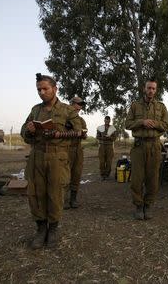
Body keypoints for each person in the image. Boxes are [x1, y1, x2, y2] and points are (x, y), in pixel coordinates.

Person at [21, 73, 83, 249]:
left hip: (58, 157)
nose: (41, 92)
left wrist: (59, 134)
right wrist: (30, 130)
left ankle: (53, 229)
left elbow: (80, 132)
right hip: (37, 156)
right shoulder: (35, 110)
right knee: (35, 193)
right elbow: (23, 133)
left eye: (45, 89)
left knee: (55, 193)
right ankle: (41, 229)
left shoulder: (67, 110)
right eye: (39, 89)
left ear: (55, 89)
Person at [125, 78, 168, 220]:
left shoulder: (161, 107)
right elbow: (127, 124)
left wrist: (155, 124)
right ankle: (138, 206)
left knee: (153, 178)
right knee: (137, 179)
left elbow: (167, 125)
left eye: (153, 89)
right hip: (139, 145)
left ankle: (148, 205)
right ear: (144, 89)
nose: (151, 91)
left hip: (155, 146)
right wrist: (142, 122)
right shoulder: (135, 105)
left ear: (156, 91)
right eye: (149, 88)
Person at [65, 96, 87, 209]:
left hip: (78, 149)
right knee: (65, 174)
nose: (80, 106)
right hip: (66, 149)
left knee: (76, 174)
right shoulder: (64, 118)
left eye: (81, 104)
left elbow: (85, 134)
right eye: (78, 104)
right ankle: (64, 200)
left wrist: (84, 134)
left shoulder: (81, 120)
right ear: (72, 104)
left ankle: (73, 199)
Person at [96, 116, 117, 180]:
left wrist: (109, 137)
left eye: (108, 120)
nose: (107, 121)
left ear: (109, 121)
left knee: (109, 161)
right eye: (106, 120)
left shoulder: (113, 128)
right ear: (104, 120)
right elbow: (97, 136)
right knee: (102, 161)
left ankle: (107, 174)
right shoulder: (100, 128)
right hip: (102, 145)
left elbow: (114, 138)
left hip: (109, 146)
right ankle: (102, 175)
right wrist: (103, 138)